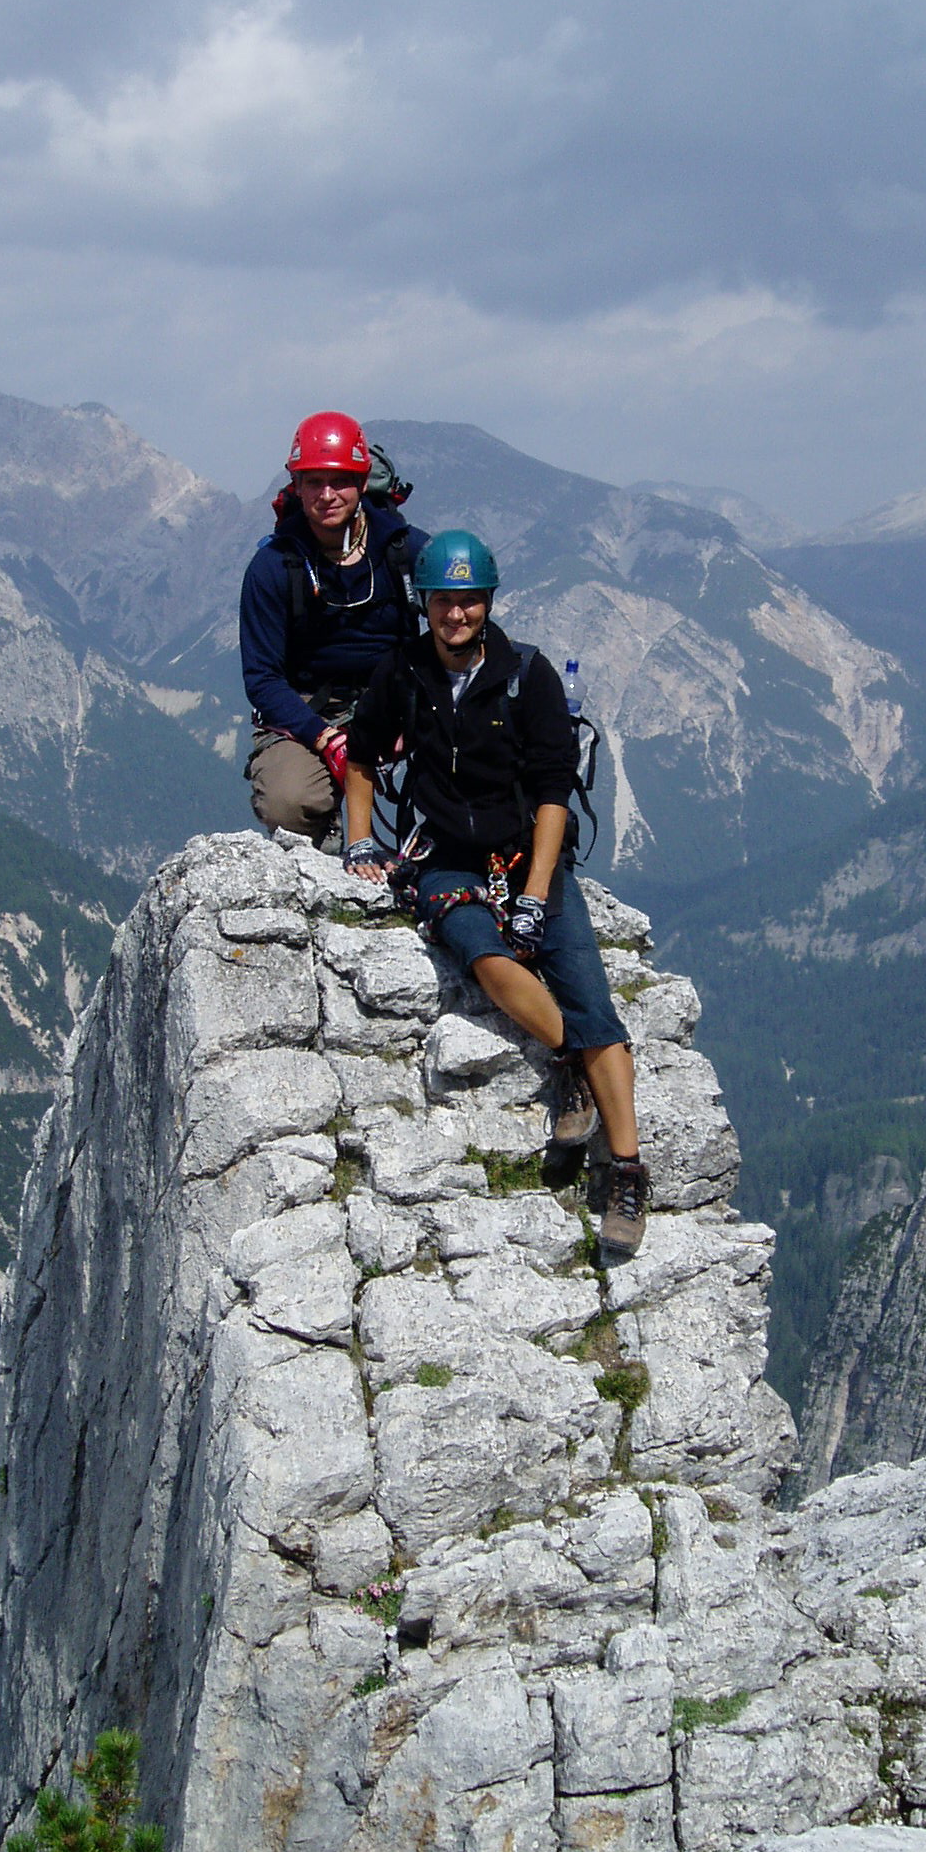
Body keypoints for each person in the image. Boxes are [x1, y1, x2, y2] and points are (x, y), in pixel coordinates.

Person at [342, 528, 653, 1257]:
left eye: (469, 601)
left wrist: (538, 892)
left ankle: (629, 1170)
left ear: (488, 602)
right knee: (487, 957)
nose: (457, 615)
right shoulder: (402, 674)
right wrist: (360, 841)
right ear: (426, 604)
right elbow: (361, 756)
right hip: (447, 856)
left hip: (526, 852)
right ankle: (576, 1066)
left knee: (587, 991)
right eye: (445, 601)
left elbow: (553, 792)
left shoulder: (528, 676)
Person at [239, 410, 428, 851]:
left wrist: (420, 711)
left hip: (398, 695)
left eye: (339, 480)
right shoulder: (273, 565)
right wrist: (323, 738)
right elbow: (262, 678)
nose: (327, 494)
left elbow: (457, 625)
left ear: (363, 483)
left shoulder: (405, 549)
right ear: (296, 485)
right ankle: (324, 858)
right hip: (310, 705)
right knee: (289, 801)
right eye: (313, 481)